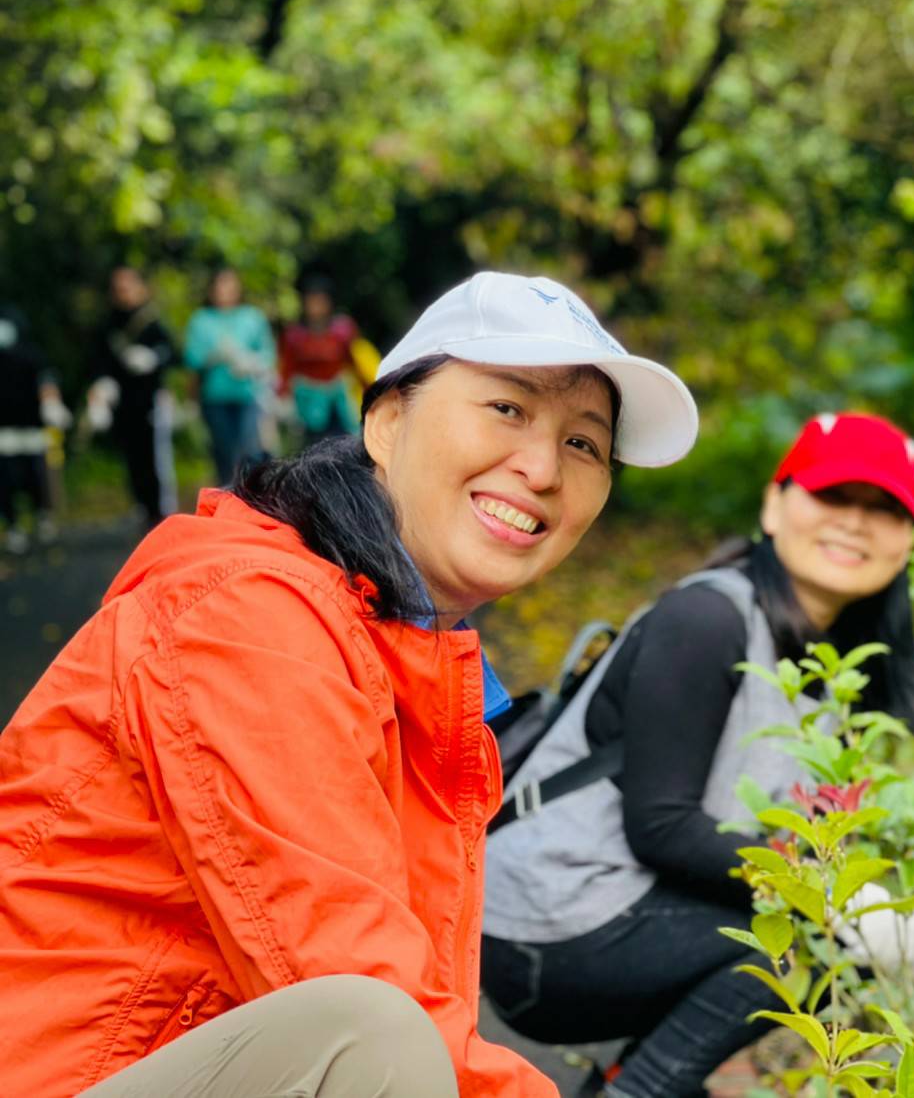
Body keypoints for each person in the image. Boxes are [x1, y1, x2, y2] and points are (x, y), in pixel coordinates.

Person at [0, 271, 699, 1098]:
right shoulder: (251, 617)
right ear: (387, 418)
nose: (544, 467)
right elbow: (359, 980)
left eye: (585, 442)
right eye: (507, 408)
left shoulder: (404, 652)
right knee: (372, 1033)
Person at [482, 412, 914, 1098]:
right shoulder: (708, 620)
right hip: (541, 928)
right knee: (825, 934)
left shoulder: (833, 669)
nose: (856, 523)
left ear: (908, 540)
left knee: (844, 920)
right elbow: (662, 827)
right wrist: (840, 901)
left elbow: (823, 838)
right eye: (834, 495)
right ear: (774, 505)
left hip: (626, 910)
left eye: (886, 509)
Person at [86, 266, 179, 526]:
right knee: (132, 458)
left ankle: (162, 511)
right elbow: (98, 362)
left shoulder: (152, 323)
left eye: (128, 287)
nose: (124, 293)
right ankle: (142, 506)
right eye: (118, 288)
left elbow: (172, 354)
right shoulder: (108, 325)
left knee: (156, 459)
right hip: (123, 406)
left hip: (150, 403)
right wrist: (101, 387)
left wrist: (153, 359)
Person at [184, 266, 276, 484]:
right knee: (223, 451)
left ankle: (251, 499)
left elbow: (267, 353)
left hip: (247, 394)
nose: (224, 290)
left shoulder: (252, 317)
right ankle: (225, 495)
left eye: (229, 285)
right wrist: (214, 356)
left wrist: (251, 362)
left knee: (250, 449)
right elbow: (192, 359)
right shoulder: (201, 320)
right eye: (219, 285)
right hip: (215, 397)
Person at [0, 302, 70, 553]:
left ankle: (43, 516)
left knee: (36, 475)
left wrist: (51, 403)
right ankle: (13, 525)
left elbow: (46, 379)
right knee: (6, 479)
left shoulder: (30, 353)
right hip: (4, 430)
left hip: (31, 427)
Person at [278, 274, 368, 443]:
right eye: (312, 301)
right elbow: (286, 370)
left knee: (343, 443)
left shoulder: (342, 330)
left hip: (336, 400)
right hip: (307, 404)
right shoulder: (294, 335)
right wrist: (281, 398)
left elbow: (354, 363)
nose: (316, 307)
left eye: (320, 301)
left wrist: (370, 390)